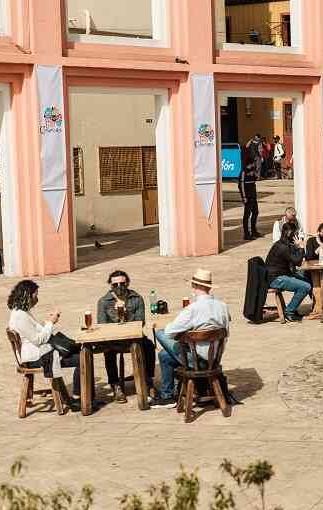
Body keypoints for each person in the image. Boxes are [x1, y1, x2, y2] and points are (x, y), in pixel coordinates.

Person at [149, 269, 231, 408]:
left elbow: (169, 332)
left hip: (197, 361)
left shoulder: (193, 309)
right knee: (164, 355)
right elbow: (226, 332)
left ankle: (168, 397)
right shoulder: (222, 306)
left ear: (194, 287)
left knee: (160, 333)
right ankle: (167, 394)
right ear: (209, 287)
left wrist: (185, 335)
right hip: (215, 359)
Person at [7, 280, 81, 408]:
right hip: (36, 357)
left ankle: (81, 395)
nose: (37, 298)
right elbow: (38, 340)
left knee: (78, 351)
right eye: (35, 295)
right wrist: (50, 323)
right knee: (82, 358)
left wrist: (48, 321)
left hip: (35, 353)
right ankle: (78, 397)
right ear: (27, 295)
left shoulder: (21, 312)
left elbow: (36, 331)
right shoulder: (20, 316)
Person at [96, 270, 157, 403]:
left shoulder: (137, 298)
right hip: (114, 339)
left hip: (133, 336)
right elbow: (102, 326)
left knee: (149, 346)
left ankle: (148, 379)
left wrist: (126, 312)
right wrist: (118, 320)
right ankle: (115, 384)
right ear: (110, 286)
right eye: (115, 285)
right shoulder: (103, 302)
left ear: (127, 283)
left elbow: (141, 321)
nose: (119, 287)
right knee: (108, 350)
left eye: (122, 284)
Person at [266, 223, 311, 322]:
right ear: (289, 233)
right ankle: (289, 312)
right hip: (276, 278)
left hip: (282, 274)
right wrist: (301, 247)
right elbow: (298, 262)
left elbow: (295, 255)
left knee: (308, 279)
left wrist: (298, 247)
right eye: (295, 233)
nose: (296, 236)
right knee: (305, 286)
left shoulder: (284, 244)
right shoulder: (282, 247)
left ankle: (315, 307)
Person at [239, 151, 259, 240]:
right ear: (250, 163)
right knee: (246, 215)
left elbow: (256, 178)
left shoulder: (252, 171)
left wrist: (255, 172)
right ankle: (246, 233)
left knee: (255, 212)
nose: (254, 164)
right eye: (253, 163)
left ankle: (254, 231)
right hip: (247, 197)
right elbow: (241, 185)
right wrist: (244, 197)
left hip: (253, 196)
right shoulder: (243, 172)